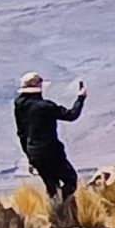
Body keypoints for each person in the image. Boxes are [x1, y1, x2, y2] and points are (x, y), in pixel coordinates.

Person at [13, 71, 85, 205]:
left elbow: (21, 133)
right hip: (51, 151)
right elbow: (71, 115)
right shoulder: (45, 107)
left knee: (52, 187)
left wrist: (29, 156)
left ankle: (56, 215)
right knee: (70, 180)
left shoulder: (19, 106)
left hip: (34, 153)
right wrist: (80, 98)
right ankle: (58, 209)